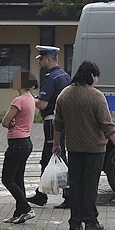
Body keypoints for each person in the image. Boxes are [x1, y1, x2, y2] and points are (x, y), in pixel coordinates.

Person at [52, 61, 115, 230]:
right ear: (92, 76)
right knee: (90, 185)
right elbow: (107, 125)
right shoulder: (96, 96)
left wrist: (56, 144)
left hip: (74, 148)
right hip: (94, 150)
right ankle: (90, 221)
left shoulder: (64, 94)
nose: (97, 80)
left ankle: (75, 221)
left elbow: (58, 124)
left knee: (76, 185)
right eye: (96, 77)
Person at [28, 45, 72, 208]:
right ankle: (41, 194)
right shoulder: (65, 76)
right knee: (48, 157)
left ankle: (69, 195)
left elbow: (43, 103)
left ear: (48, 59)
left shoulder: (51, 77)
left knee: (57, 155)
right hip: (62, 121)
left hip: (52, 122)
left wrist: (29, 98)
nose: (40, 63)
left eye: (41, 60)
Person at [1, 71, 38, 224]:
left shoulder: (19, 100)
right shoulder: (30, 99)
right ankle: (19, 213)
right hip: (26, 142)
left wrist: (10, 123)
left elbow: (4, 121)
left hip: (16, 143)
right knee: (18, 179)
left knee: (7, 179)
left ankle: (26, 208)